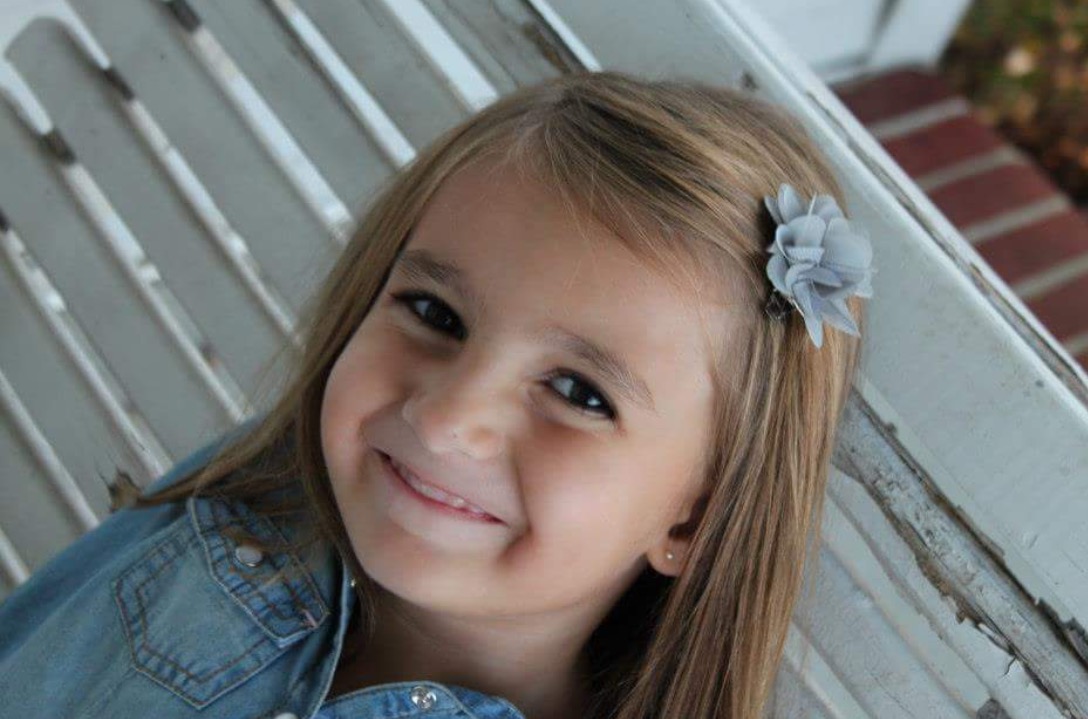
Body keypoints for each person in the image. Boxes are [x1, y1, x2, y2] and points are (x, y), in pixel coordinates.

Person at [0, 70, 875, 719]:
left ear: (694, 519)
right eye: (433, 312)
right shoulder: (238, 515)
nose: (447, 417)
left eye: (579, 392)